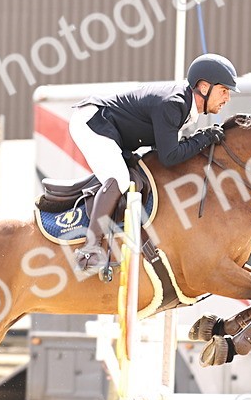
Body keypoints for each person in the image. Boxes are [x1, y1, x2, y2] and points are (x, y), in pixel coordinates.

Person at [69, 52, 239, 274]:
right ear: (204, 87)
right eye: (224, 90)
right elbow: (169, 157)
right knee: (119, 180)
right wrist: (205, 137)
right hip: (93, 122)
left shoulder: (183, 106)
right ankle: (89, 250)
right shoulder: (174, 104)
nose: (227, 98)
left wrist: (202, 138)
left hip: (113, 131)